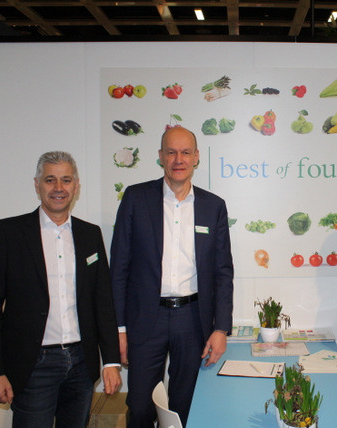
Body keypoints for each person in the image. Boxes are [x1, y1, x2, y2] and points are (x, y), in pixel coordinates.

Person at [0, 151, 122, 427]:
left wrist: (110, 361)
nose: (58, 188)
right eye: (50, 180)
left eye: (66, 180)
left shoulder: (90, 235)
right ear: (37, 184)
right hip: (33, 365)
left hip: (81, 363)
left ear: (76, 186)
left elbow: (102, 302)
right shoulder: (8, 233)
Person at [110, 126, 234, 427]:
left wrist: (221, 328)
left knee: (185, 406)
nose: (179, 159)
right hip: (145, 319)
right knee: (140, 407)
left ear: (196, 157)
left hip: (193, 320)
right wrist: (119, 329)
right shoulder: (136, 198)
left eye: (185, 152)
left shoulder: (213, 206)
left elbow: (223, 272)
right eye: (171, 152)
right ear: (161, 156)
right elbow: (119, 267)